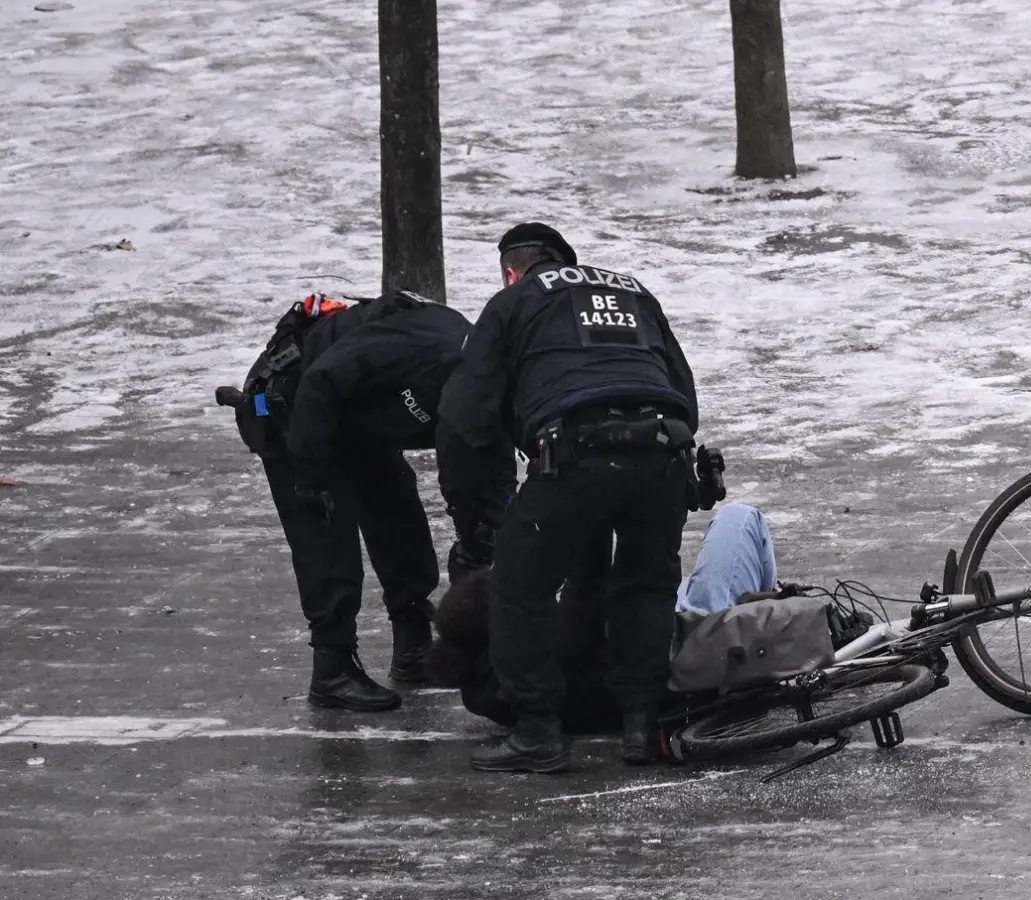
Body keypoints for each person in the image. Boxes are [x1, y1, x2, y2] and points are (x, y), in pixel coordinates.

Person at [436, 222, 698, 774]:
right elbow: (680, 383)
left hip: (577, 452)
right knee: (645, 584)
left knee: (518, 586)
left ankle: (537, 733)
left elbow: (465, 414)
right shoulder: (632, 291)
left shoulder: (515, 302)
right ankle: (640, 726)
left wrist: (476, 507)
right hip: (663, 451)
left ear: (513, 270)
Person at [225, 290, 467, 712]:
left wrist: (478, 530)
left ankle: (413, 646)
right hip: (296, 401)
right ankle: (332, 670)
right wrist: (311, 475)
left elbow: (477, 463)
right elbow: (322, 381)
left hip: (354, 412)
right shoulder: (426, 352)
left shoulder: (482, 379)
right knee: (325, 532)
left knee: (397, 510)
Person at [427, 503, 778, 735]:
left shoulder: (488, 689)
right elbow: (594, 587)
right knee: (741, 517)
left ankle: (756, 630)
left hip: (647, 666)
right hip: (690, 648)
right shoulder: (559, 644)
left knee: (683, 584)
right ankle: (762, 647)